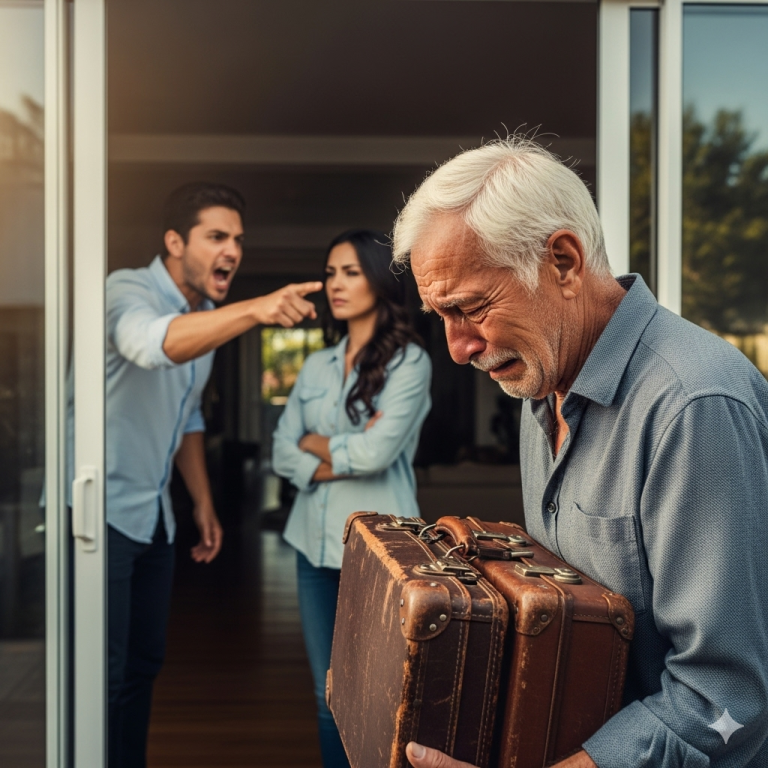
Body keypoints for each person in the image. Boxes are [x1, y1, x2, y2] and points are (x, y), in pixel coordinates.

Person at [388, 138, 768, 768]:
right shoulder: (539, 387)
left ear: (563, 261)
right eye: (440, 315)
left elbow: (724, 698)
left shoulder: (694, 405)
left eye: (471, 307)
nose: (456, 348)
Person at [97, 181, 322, 768]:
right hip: (96, 515)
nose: (232, 251)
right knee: (104, 673)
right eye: (216, 237)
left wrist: (200, 500)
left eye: (238, 240)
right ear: (175, 242)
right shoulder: (126, 291)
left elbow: (188, 414)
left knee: (143, 664)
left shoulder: (205, 317)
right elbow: (150, 347)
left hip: (153, 515)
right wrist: (254, 308)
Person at [272, 229, 432, 768]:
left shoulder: (410, 362)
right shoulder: (318, 365)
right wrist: (336, 452)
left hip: (382, 551)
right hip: (311, 547)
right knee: (329, 696)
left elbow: (377, 454)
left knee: (385, 696)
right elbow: (280, 449)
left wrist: (313, 447)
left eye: (351, 272)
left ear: (380, 280)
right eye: (330, 272)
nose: (334, 284)